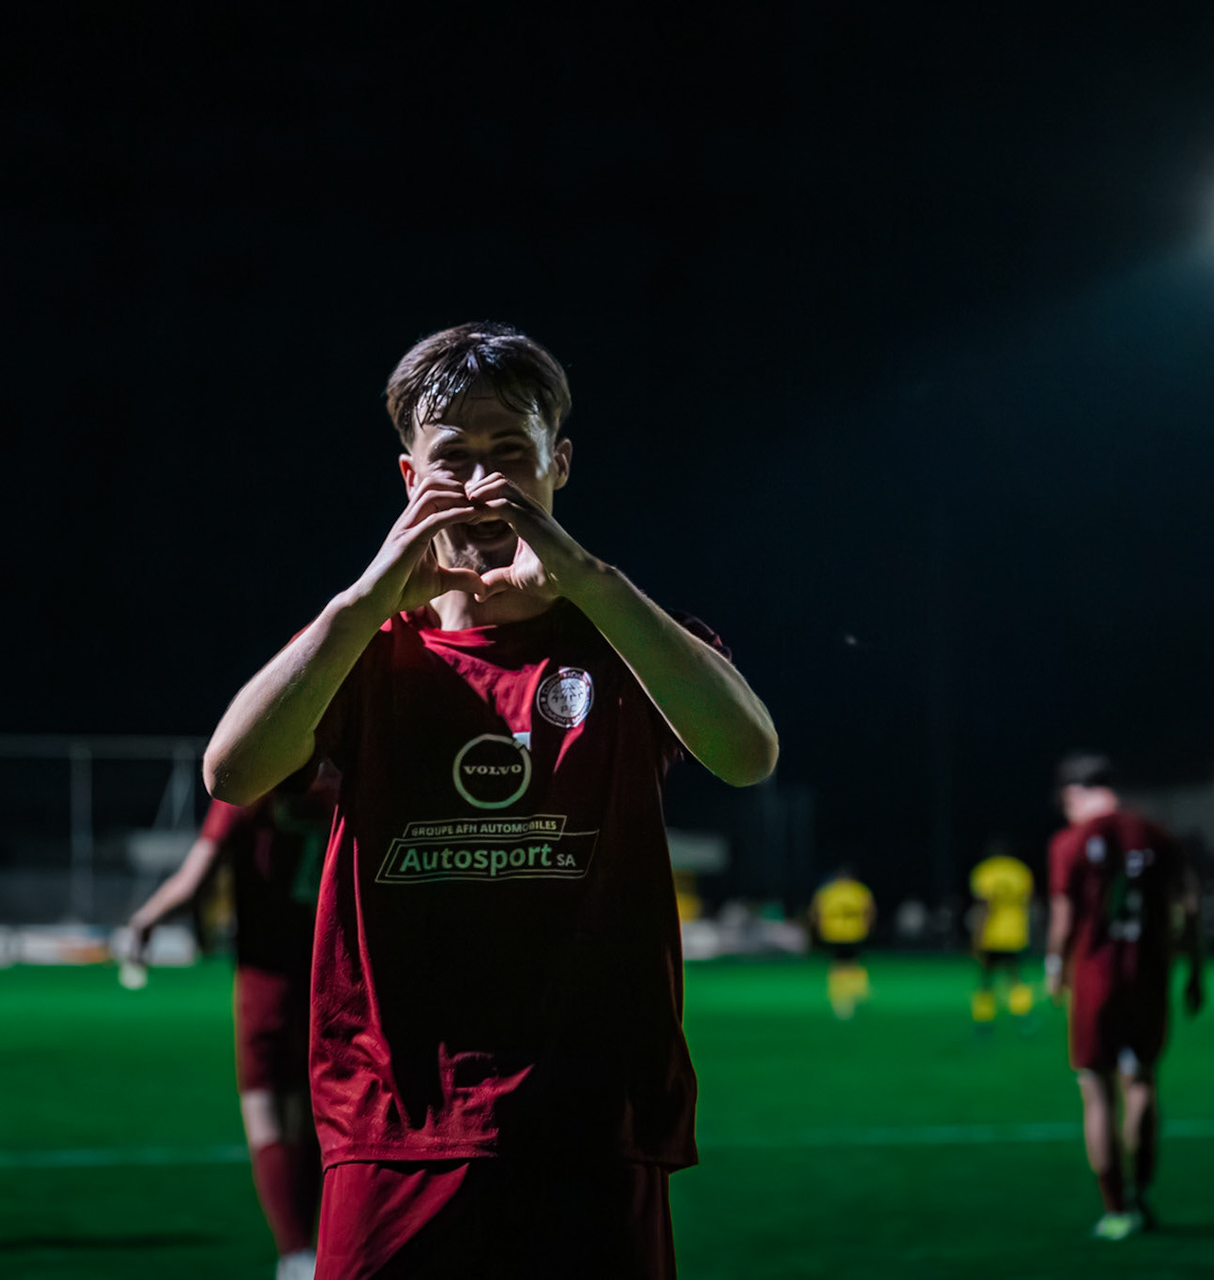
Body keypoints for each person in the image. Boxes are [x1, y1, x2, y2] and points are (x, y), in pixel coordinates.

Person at [202, 322, 780, 1279]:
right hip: (396, 1122)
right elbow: (234, 772)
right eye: (453, 458)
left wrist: (590, 583)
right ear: (407, 478)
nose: (484, 482)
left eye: (512, 450)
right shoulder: (364, 643)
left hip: (593, 1116)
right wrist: (369, 592)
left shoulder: (622, 635)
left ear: (561, 463)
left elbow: (747, 753)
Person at [126, 764, 338, 1280]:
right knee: (313, 1109)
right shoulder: (339, 789)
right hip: (332, 972)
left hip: (266, 980)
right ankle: (322, 1250)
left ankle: (294, 1255)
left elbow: (191, 882)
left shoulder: (249, 791)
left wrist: (141, 923)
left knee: (263, 1107)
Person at [1043, 754, 1204, 1241]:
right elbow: (1190, 909)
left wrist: (1054, 966)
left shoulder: (1070, 842)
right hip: (1150, 976)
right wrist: (1196, 973)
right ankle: (1142, 1194)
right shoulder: (1159, 836)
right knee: (1142, 1084)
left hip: (1095, 979)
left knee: (1097, 1091)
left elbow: (1065, 915)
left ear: (1073, 794)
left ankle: (1115, 1209)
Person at [967, 846, 1035, 1032]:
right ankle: (1023, 1018)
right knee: (1015, 977)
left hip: (991, 935)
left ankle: (983, 1021)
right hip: (1016, 934)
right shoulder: (1020, 871)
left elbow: (983, 907)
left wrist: (976, 937)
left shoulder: (985, 870)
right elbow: (1029, 903)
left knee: (986, 979)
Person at [808, 869, 875, 1019]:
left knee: (839, 964)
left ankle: (842, 995)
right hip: (852, 932)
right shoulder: (859, 890)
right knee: (851, 963)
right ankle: (852, 993)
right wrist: (868, 927)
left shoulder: (827, 891)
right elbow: (870, 911)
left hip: (834, 933)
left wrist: (818, 929)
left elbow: (814, 913)